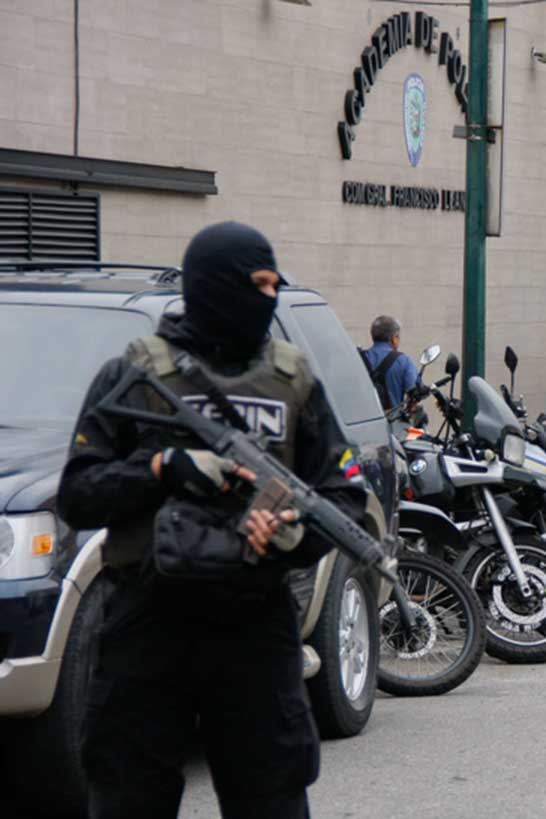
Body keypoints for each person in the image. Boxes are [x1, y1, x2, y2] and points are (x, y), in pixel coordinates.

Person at [58, 222, 367, 817]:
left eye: (276, 285)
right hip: (147, 622)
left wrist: (289, 536)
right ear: (216, 284)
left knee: (272, 797)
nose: (269, 298)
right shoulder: (134, 377)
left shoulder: (291, 380)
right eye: (257, 283)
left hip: (253, 625)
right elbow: (77, 494)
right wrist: (158, 469)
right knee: (127, 796)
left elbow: (344, 498)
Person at [362, 315, 421, 411]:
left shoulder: (361, 359)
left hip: (364, 423)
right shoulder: (404, 361)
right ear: (394, 338)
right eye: (398, 336)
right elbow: (415, 394)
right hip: (393, 423)